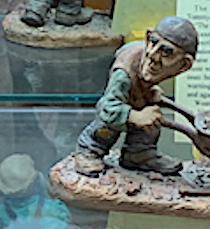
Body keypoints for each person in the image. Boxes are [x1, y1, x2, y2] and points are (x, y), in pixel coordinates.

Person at [75, 16, 198, 176]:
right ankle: (89, 151)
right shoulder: (123, 75)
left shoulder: (151, 66)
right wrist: (135, 116)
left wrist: (149, 93)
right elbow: (106, 107)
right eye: (153, 42)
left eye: (166, 52)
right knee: (108, 124)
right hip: (117, 96)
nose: (152, 54)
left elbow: (145, 78)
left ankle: (138, 154)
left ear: (184, 64)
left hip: (135, 91)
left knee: (151, 114)